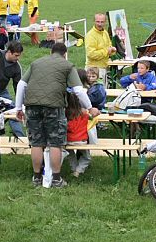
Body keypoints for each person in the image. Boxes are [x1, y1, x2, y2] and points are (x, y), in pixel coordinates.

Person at [13, 41, 96, 188]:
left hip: (32, 105)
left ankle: (37, 177)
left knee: (36, 142)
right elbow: (78, 90)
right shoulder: (67, 65)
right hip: (54, 106)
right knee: (55, 143)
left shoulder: (36, 63)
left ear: (51, 52)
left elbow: (21, 85)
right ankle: (56, 179)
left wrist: (18, 108)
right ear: (65, 54)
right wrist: (90, 108)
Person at [63, 83, 92, 178]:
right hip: (81, 141)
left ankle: (74, 169)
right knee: (87, 157)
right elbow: (92, 118)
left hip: (68, 140)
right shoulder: (83, 113)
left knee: (70, 155)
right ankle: (78, 170)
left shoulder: (65, 114)